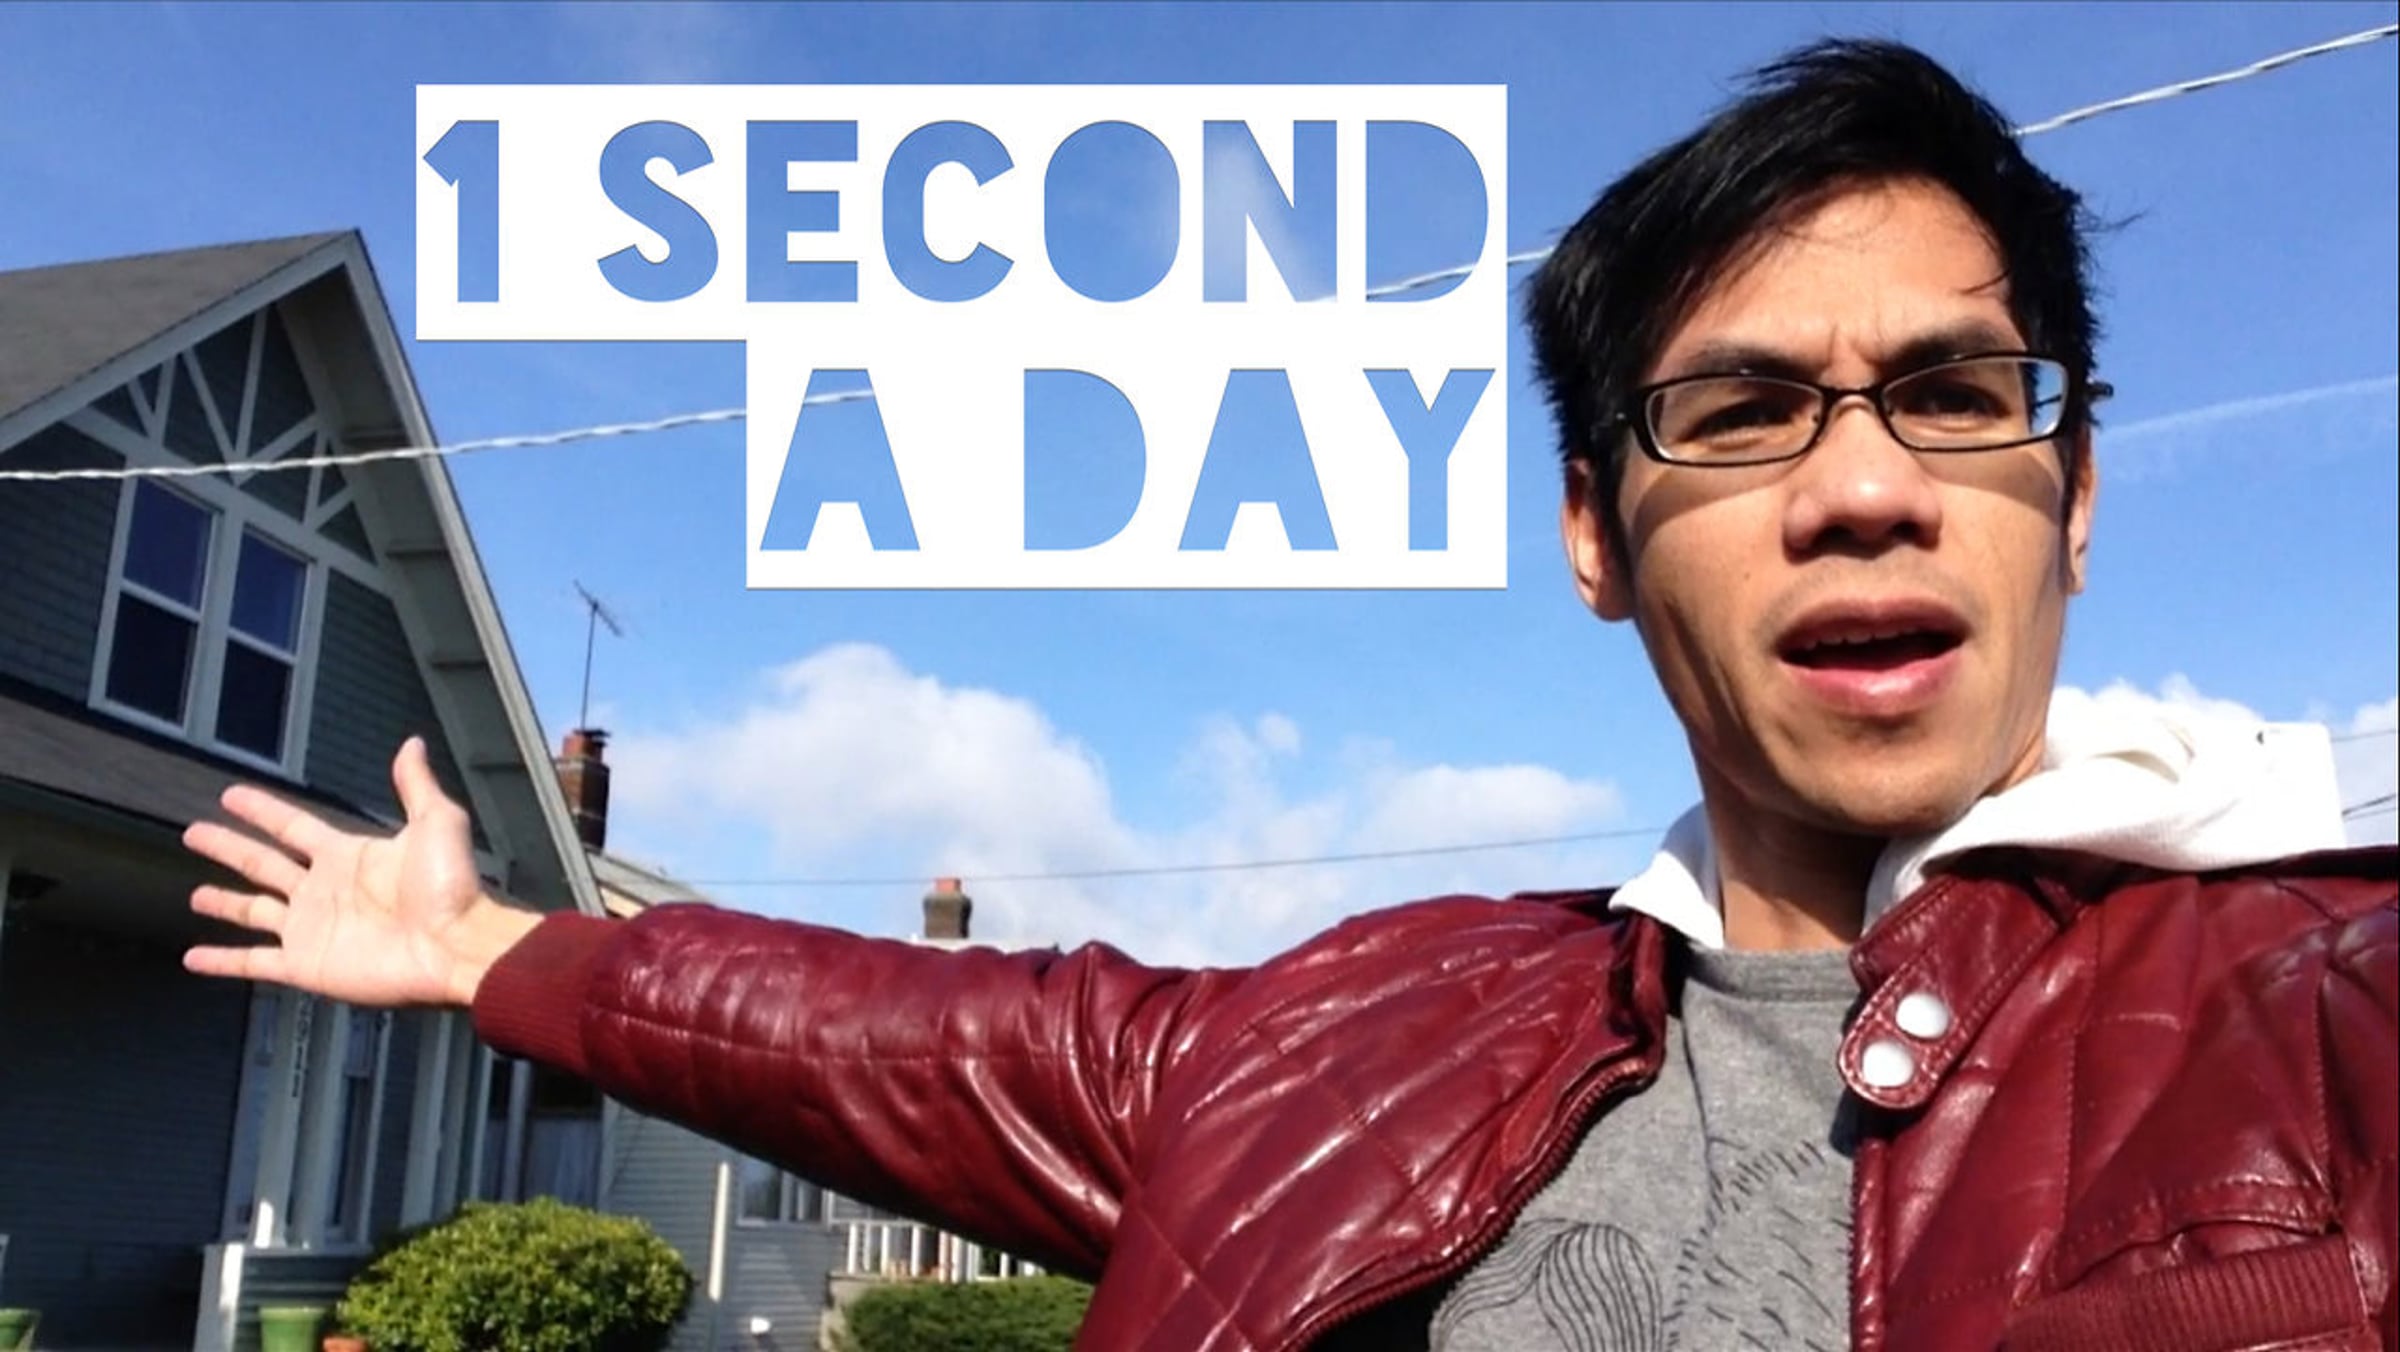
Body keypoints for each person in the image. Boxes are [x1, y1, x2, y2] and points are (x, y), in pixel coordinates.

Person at [181, 39, 2394, 1352]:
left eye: (1954, 393)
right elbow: (899, 1036)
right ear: (1597, 536)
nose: (1866, 488)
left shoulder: (2333, 1006)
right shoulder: (1374, 1034)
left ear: (2074, 495)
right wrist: (486, 949)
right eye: (1738, 414)